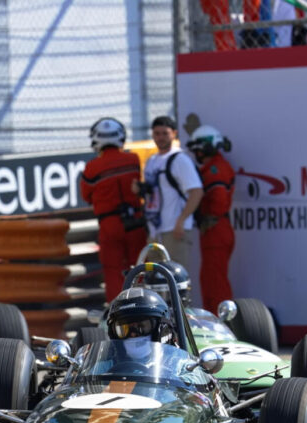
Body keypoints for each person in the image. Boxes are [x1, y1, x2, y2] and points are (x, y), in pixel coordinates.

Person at [80, 117, 148, 303]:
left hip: (109, 224)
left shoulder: (92, 167)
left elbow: (86, 195)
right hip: (135, 221)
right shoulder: (133, 159)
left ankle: (118, 310)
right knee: (138, 268)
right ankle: (142, 305)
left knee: (113, 271)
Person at [138, 116, 203, 307]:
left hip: (174, 230)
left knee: (178, 282)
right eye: (157, 133)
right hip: (156, 231)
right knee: (155, 284)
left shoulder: (180, 159)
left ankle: (184, 320)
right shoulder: (151, 161)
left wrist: (181, 221)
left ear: (174, 134)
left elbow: (196, 191)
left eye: (165, 133)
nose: (160, 137)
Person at [185, 125, 236, 311]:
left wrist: (209, 216)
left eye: (198, 149)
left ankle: (222, 321)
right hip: (214, 230)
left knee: (215, 283)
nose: (196, 153)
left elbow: (219, 199)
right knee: (209, 280)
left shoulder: (216, 168)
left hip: (216, 229)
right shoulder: (213, 167)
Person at [106, 287, 174, 343]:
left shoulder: (178, 355)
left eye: (141, 327)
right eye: (124, 330)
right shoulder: (110, 356)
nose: (133, 335)